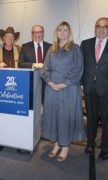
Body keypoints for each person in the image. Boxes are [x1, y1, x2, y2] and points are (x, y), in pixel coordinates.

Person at [40, 21, 85, 161]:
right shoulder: (51, 49)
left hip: (68, 89)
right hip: (52, 89)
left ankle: (65, 146)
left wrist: (63, 84)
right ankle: (57, 144)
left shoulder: (75, 48)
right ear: (57, 32)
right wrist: (50, 82)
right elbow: (44, 68)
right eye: (60, 30)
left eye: (65, 30)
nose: (63, 33)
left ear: (69, 33)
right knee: (55, 116)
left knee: (65, 117)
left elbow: (78, 70)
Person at [81, 17, 108, 160]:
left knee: (106, 120)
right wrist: (81, 84)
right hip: (90, 88)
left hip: (106, 89)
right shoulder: (85, 44)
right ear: (95, 28)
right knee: (90, 118)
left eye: (105, 26)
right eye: (98, 26)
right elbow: (81, 67)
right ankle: (90, 143)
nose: (101, 29)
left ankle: (105, 148)